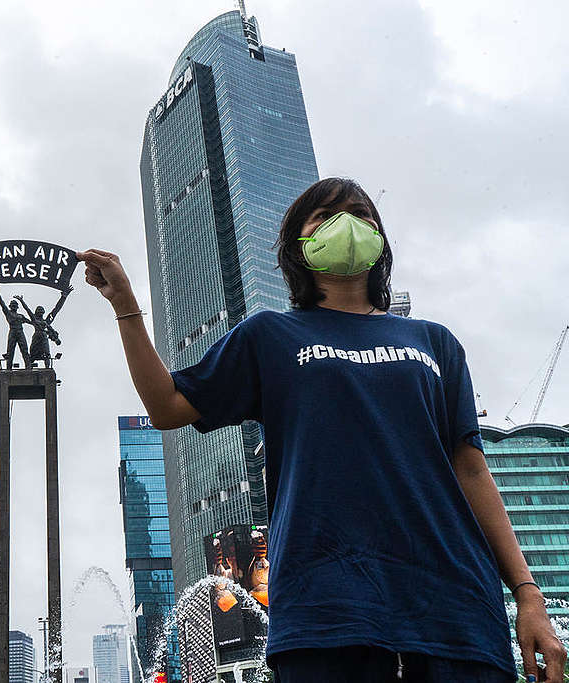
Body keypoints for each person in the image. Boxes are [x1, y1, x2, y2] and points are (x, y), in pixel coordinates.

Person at [78, 177, 566, 683]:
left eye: (360, 214)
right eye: (324, 217)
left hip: (456, 606)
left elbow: (470, 469)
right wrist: (125, 307)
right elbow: (168, 406)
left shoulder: (435, 342)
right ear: (298, 248)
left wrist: (529, 595)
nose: (347, 225)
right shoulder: (270, 335)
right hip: (325, 607)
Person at [0, 283, 31, 369]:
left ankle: (28, 367)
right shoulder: (8, 313)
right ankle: (9, 368)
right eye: (12, 305)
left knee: (25, 350)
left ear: (17, 307)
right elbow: (1, 302)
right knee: (10, 351)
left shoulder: (21, 316)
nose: (14, 306)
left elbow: (32, 322)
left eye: (15, 305)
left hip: (20, 332)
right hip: (12, 332)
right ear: (10, 306)